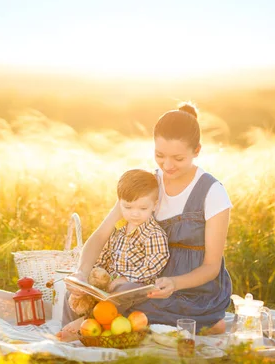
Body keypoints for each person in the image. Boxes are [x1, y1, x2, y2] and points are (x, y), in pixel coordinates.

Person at [59, 102, 232, 339]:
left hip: (189, 289)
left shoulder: (212, 192)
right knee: (76, 299)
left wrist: (174, 283)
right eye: (160, 155)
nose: (167, 166)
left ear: (197, 151)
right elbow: (102, 234)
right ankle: (91, 325)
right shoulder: (147, 184)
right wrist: (81, 273)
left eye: (178, 158)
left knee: (130, 304)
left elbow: (211, 266)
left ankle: (207, 321)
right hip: (142, 281)